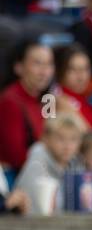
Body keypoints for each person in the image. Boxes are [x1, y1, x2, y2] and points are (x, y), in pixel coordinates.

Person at [0, 41, 53, 170]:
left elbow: (53, 135)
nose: (44, 71)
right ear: (18, 67)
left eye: (49, 64)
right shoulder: (10, 101)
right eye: (37, 63)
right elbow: (16, 157)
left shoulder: (48, 99)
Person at [14, 114, 84, 212]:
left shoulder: (76, 165)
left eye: (73, 139)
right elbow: (35, 209)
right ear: (46, 139)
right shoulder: (37, 161)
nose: (67, 145)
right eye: (61, 138)